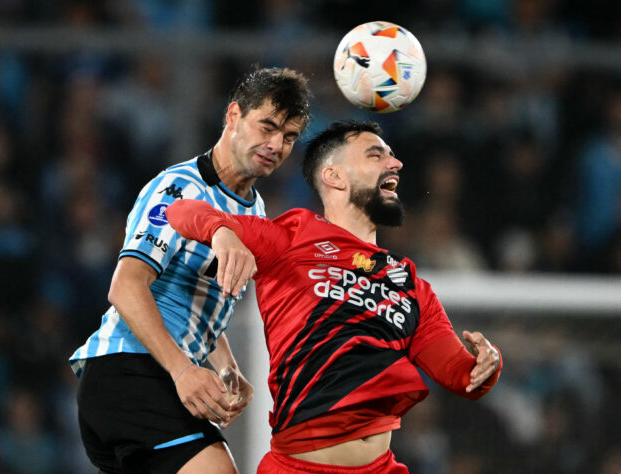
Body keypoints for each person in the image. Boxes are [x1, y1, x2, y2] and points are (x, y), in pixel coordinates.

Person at [166, 120, 502, 474]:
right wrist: (221, 232)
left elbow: (463, 377)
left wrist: (487, 364)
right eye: (376, 154)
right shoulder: (291, 238)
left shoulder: (411, 285)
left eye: (391, 155)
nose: (395, 163)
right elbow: (182, 211)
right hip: (299, 467)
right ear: (335, 177)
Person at [69, 67, 311, 474]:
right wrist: (184, 371)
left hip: (146, 377)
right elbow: (126, 287)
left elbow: (195, 297)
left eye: (288, 137)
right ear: (233, 115)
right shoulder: (180, 187)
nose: (275, 145)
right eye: (267, 127)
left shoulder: (253, 209)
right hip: (131, 369)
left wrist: (226, 366)